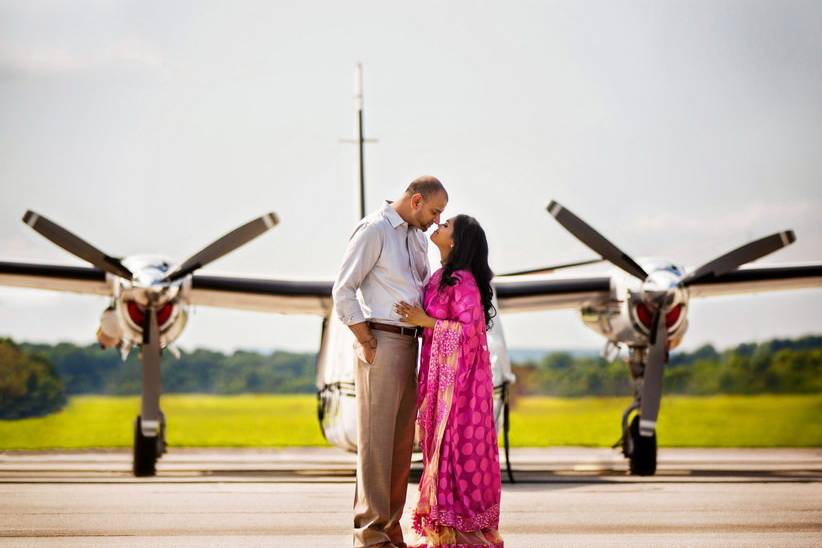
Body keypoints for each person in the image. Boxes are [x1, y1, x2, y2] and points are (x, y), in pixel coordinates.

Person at [332, 176, 449, 548]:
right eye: (434, 211)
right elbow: (343, 288)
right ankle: (369, 534)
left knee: (400, 446)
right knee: (376, 445)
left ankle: (390, 530)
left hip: (411, 344)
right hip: (381, 340)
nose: (435, 221)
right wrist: (364, 337)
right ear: (416, 200)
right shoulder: (375, 230)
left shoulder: (415, 237)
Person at [395, 214, 504, 548]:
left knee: (456, 454)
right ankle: (444, 532)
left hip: (461, 389)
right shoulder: (441, 276)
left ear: (455, 241)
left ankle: (462, 535)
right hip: (438, 382)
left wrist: (422, 320)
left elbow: (469, 334)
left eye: (445, 227)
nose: (437, 227)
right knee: (439, 454)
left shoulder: (462, 280)